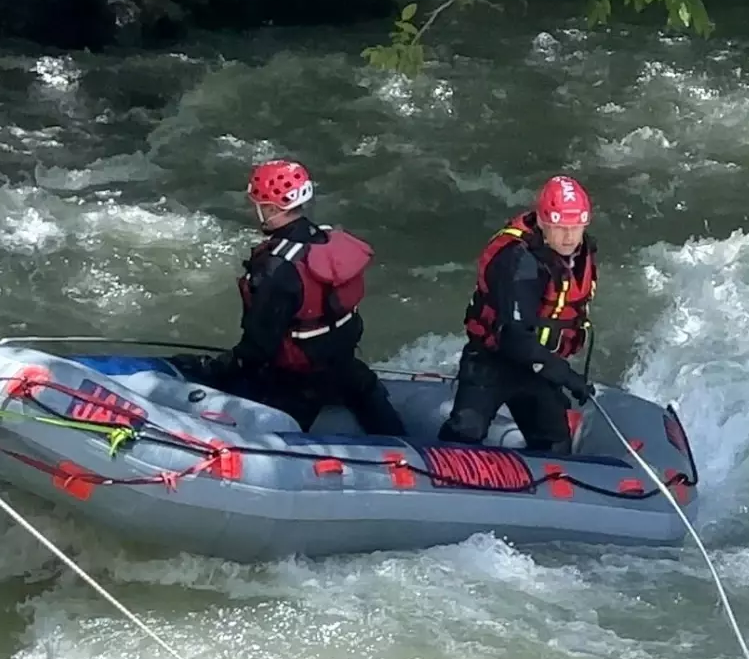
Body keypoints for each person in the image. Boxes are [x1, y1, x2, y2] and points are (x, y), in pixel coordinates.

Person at [173, 159, 407, 437]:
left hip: (296, 380)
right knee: (369, 397)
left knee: (260, 421)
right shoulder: (326, 240)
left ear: (271, 208)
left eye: (257, 205)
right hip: (344, 365)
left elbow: (259, 347)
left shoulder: (276, 268)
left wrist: (219, 367)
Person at [437, 174, 598, 455]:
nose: (570, 237)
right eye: (561, 228)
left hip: (536, 367)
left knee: (555, 444)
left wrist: (554, 369)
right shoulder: (519, 261)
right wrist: (565, 375)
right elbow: (515, 338)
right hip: (494, 360)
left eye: (576, 227)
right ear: (544, 222)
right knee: (466, 431)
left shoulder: (579, 253)